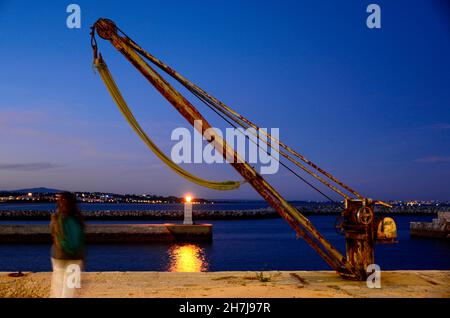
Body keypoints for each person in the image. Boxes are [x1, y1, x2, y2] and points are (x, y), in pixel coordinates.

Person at [50, 192, 85, 298]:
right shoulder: (77, 218)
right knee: (69, 290)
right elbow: (80, 238)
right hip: (75, 258)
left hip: (59, 256)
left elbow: (54, 235)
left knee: (57, 288)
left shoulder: (55, 217)